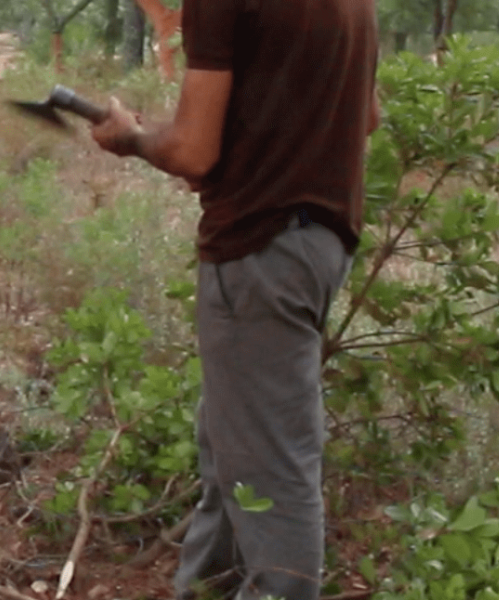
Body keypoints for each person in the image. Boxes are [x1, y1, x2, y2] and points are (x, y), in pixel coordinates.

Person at [88, 0, 381, 598]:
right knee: (233, 445)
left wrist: (133, 137)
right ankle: (204, 588)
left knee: (272, 470)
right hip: (322, 242)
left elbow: (194, 152)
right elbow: (367, 116)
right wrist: (252, 147)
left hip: (261, 248)